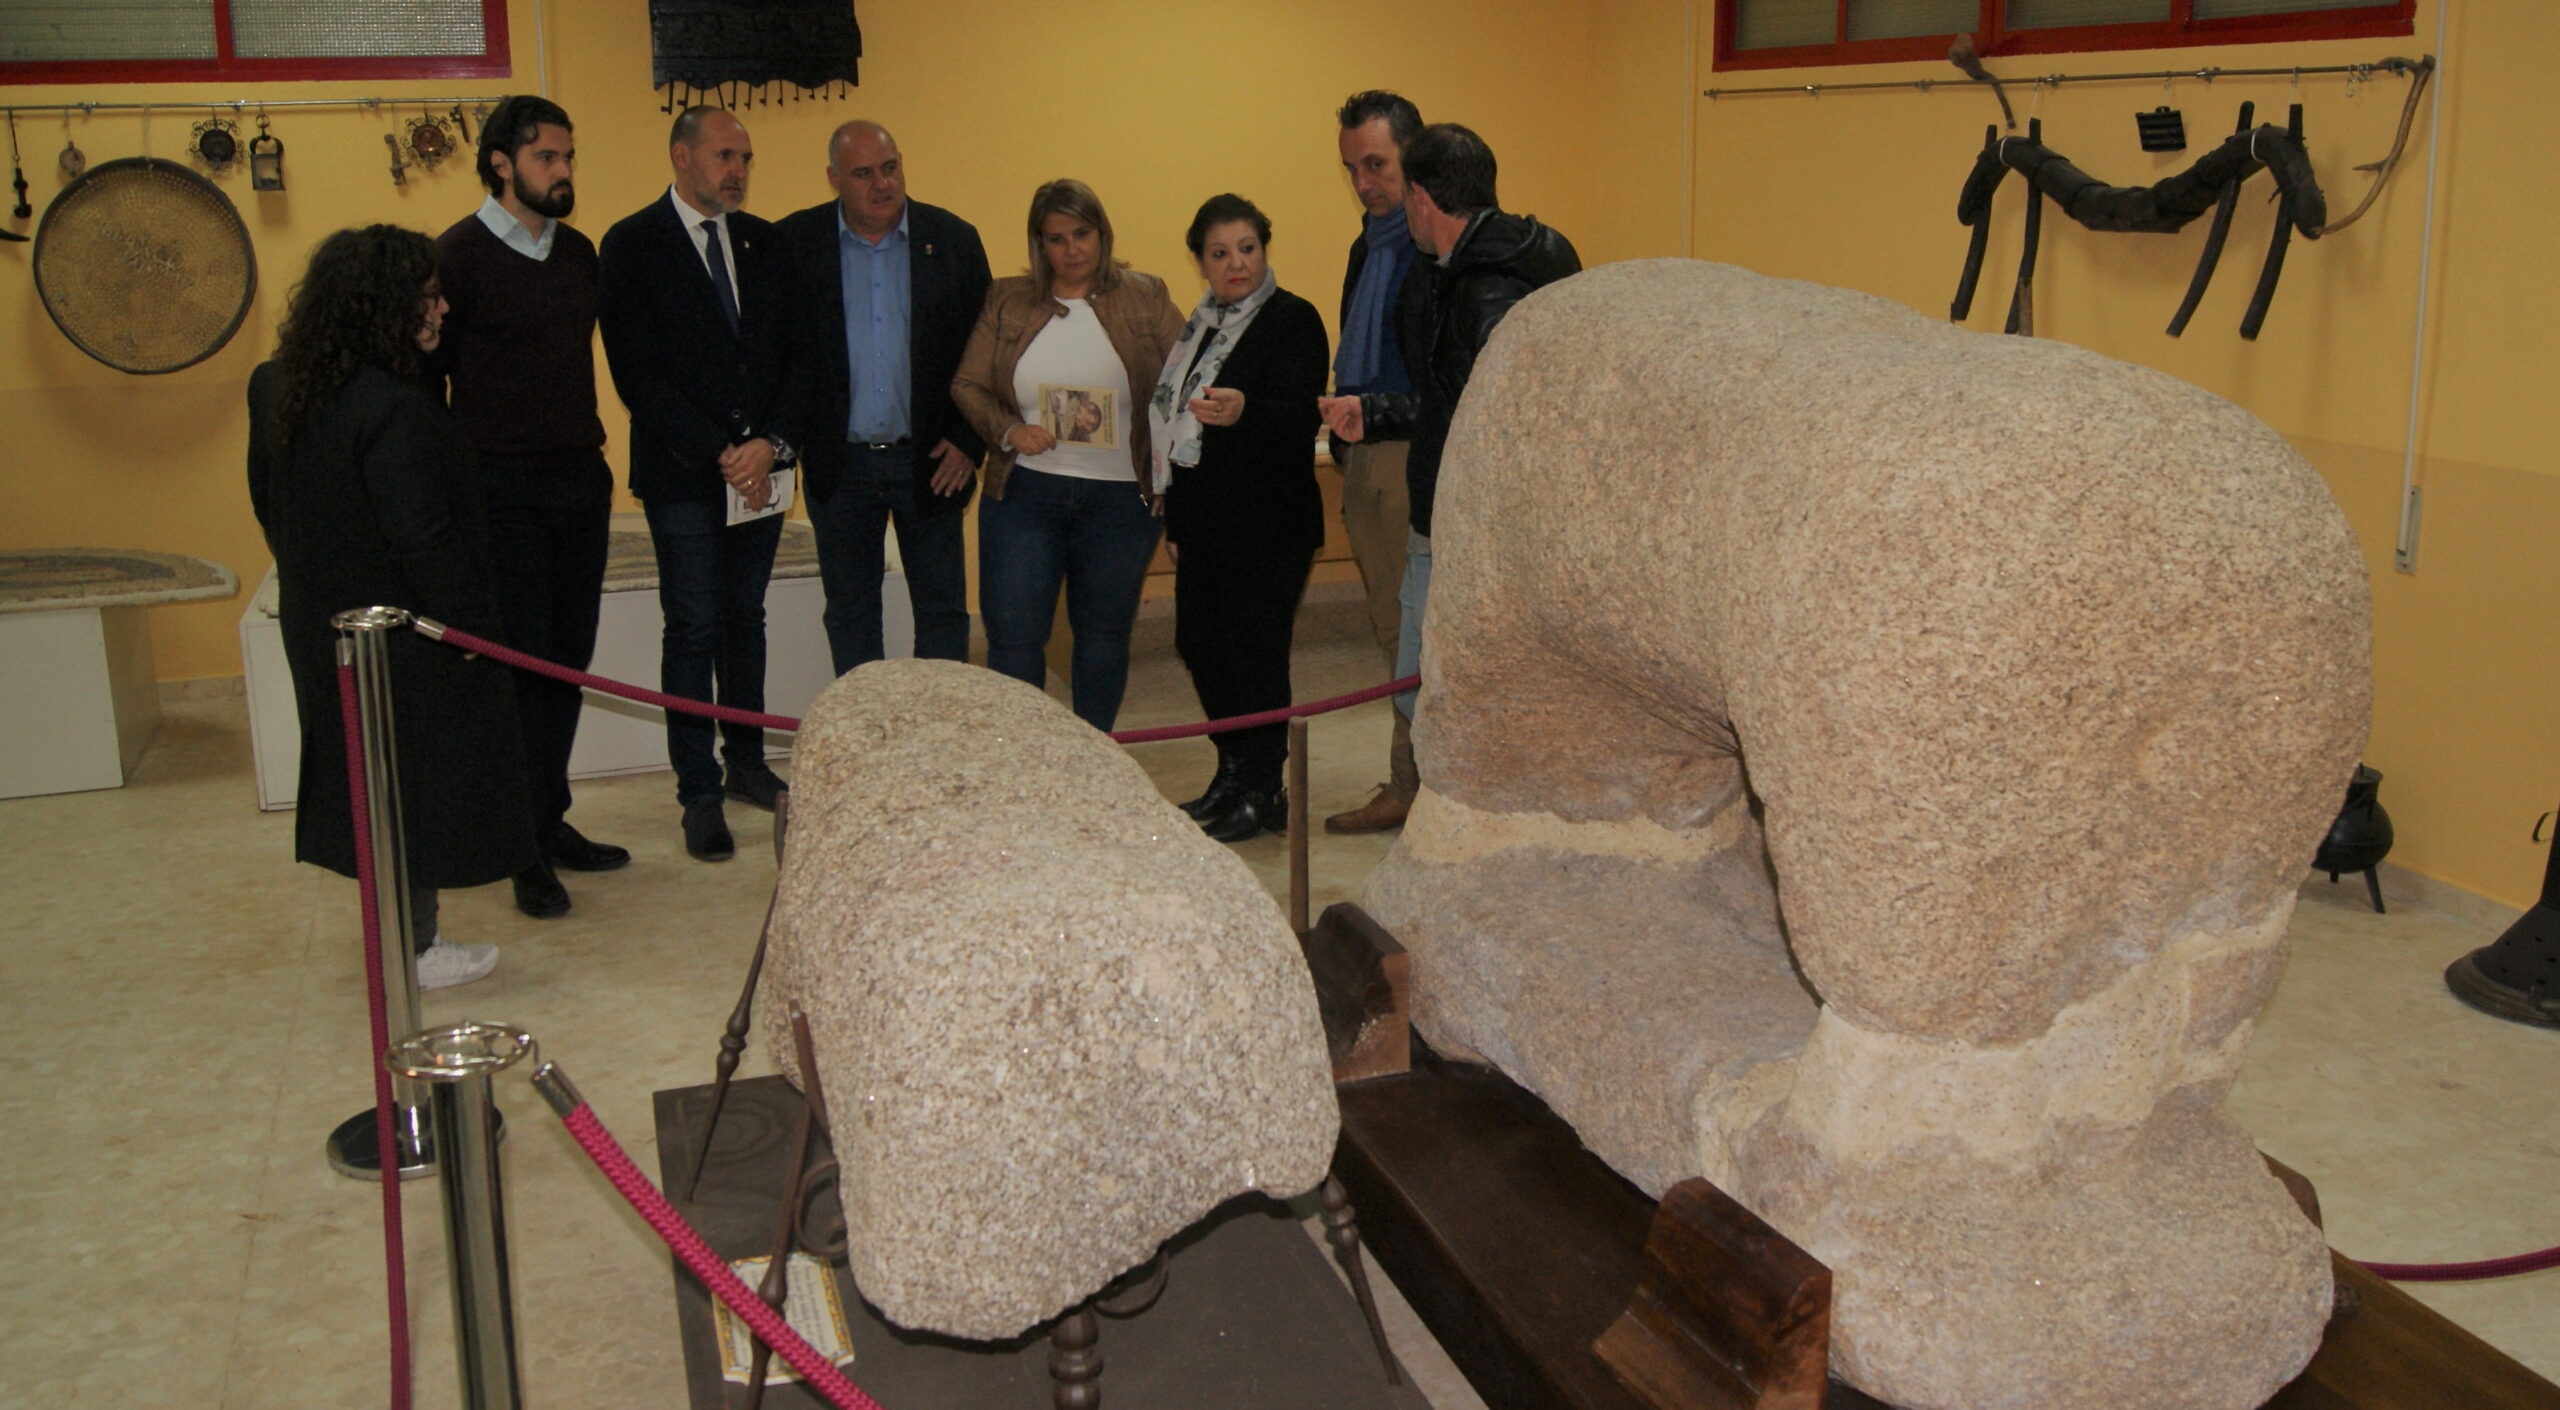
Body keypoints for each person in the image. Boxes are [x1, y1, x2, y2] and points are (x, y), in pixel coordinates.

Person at [247, 225, 536, 991]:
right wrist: (475, 634)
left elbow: (267, 505)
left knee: (367, 783)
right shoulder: (396, 411)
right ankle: (413, 948)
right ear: (386, 306)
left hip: (322, 628)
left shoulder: (276, 385)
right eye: (429, 295)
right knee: (407, 794)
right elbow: (429, 541)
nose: (442, 308)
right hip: (403, 642)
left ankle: (399, 941)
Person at [1318, 123, 1581, 772]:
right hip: (1454, 511)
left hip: (1465, 523)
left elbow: (1498, 413)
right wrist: (1376, 413)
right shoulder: (1480, 265)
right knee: (1425, 689)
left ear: (1422, 199)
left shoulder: (1486, 287)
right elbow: (1451, 396)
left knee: (1429, 687)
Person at [434, 94, 628, 918]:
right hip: (498, 486)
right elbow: (426, 382)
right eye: (549, 158)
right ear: (502, 163)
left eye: (570, 156)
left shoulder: (580, 253)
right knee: (521, 670)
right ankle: (520, 847)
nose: (564, 171)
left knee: (567, 665)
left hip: (577, 482)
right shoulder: (457, 257)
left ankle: (551, 823)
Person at [598, 106, 793, 865]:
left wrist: (769, 446)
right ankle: (698, 792)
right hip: (685, 474)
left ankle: (747, 763)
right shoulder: (633, 244)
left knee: (746, 617)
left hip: (762, 472)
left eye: (745, 156)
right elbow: (636, 374)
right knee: (694, 625)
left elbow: (792, 358)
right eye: (722, 155)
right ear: (681, 157)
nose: (737, 170)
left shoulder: (763, 242)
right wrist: (723, 451)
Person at [951, 179, 1185, 732]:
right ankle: (1025, 756)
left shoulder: (1146, 295)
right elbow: (967, 384)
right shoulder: (1008, 299)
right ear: (1040, 245)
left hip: (1121, 500)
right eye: (1056, 239)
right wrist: (1009, 431)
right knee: (1012, 634)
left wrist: (1170, 478)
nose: (1072, 249)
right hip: (1026, 493)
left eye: (1082, 233)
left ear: (1102, 233)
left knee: (1103, 633)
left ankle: (1093, 753)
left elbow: (1184, 384)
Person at [774, 121, 992, 675]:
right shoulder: (795, 243)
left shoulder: (953, 240)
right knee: (850, 615)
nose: (882, 184)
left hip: (933, 460)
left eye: (890, 167)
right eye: (863, 173)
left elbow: (988, 354)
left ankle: (936, 743)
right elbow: (779, 355)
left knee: (943, 613)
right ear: (833, 179)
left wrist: (969, 441)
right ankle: (866, 745)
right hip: (838, 463)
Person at [1150, 195, 1330, 842]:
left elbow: (1302, 413)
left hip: (1269, 525)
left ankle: (1265, 788)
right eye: (1221, 253)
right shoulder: (1198, 327)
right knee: (1199, 645)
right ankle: (1231, 770)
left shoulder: (1293, 318)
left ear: (1264, 249)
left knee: (1255, 656)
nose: (1237, 264)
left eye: (1248, 248)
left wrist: (1247, 408)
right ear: (1200, 260)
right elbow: (1173, 425)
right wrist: (1174, 519)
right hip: (1203, 524)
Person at [1324, 90, 1427, 836]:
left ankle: (1412, 787)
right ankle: (1412, 781)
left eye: (1376, 164)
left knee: (1413, 633)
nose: (1363, 183)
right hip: (1363, 452)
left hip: (1409, 455)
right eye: (1352, 167)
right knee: (1390, 626)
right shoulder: (1372, 243)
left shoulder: (1433, 246)